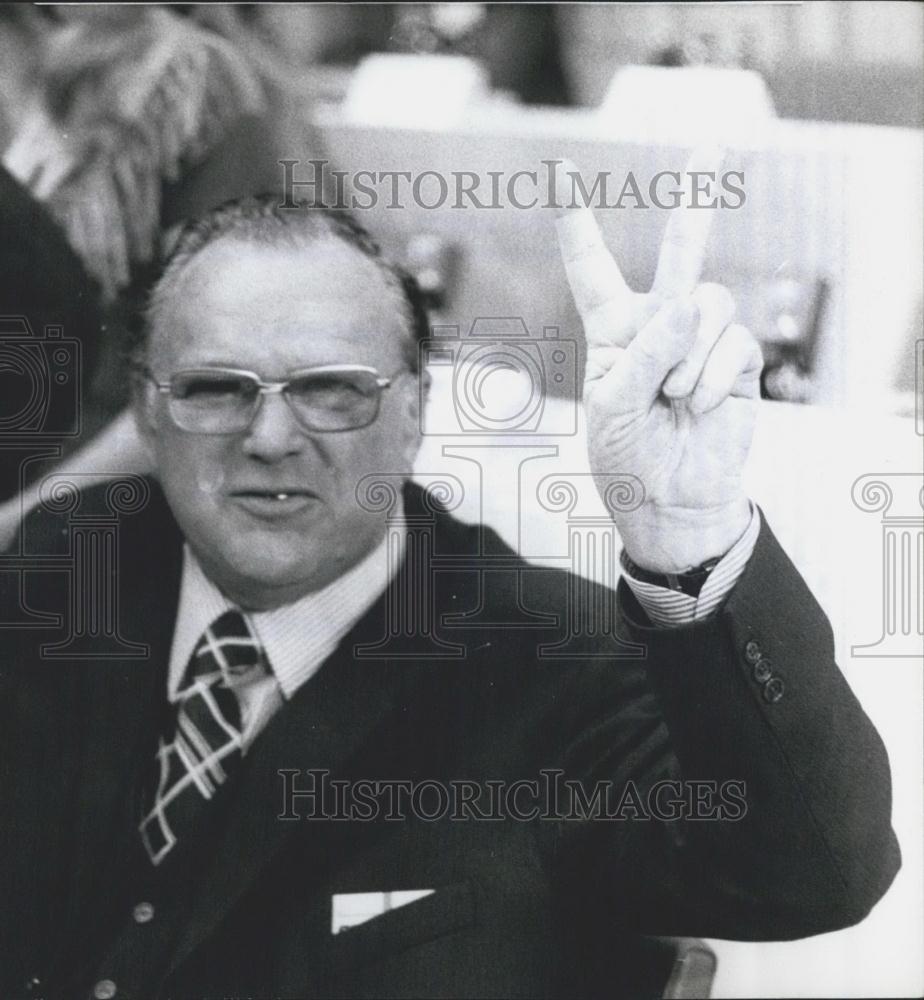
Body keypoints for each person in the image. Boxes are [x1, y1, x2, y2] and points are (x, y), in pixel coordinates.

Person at [0, 186, 900, 999]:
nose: (270, 436)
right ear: (149, 412)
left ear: (415, 413)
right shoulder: (66, 569)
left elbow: (810, 874)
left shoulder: (552, 661)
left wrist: (690, 532)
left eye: (332, 391)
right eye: (213, 389)